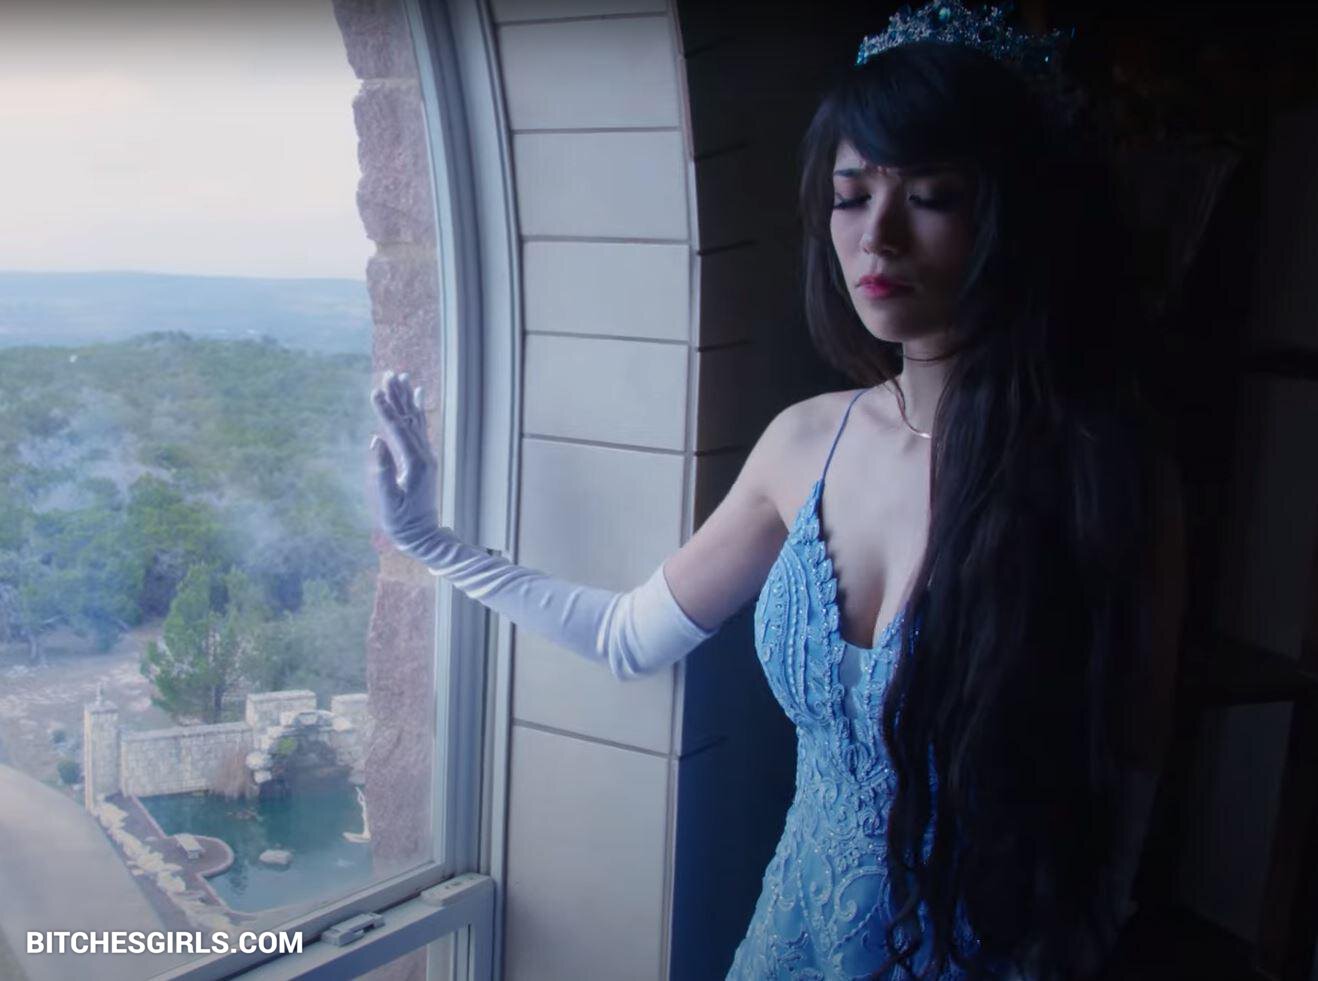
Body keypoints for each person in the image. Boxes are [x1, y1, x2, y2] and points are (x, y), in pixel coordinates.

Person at [369, 1, 1186, 977]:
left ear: (1013, 219)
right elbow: (629, 635)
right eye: (851, 196)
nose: (878, 236)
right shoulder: (806, 441)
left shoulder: (1100, 468)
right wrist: (433, 544)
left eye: (930, 196)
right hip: (791, 941)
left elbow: (1129, 776)